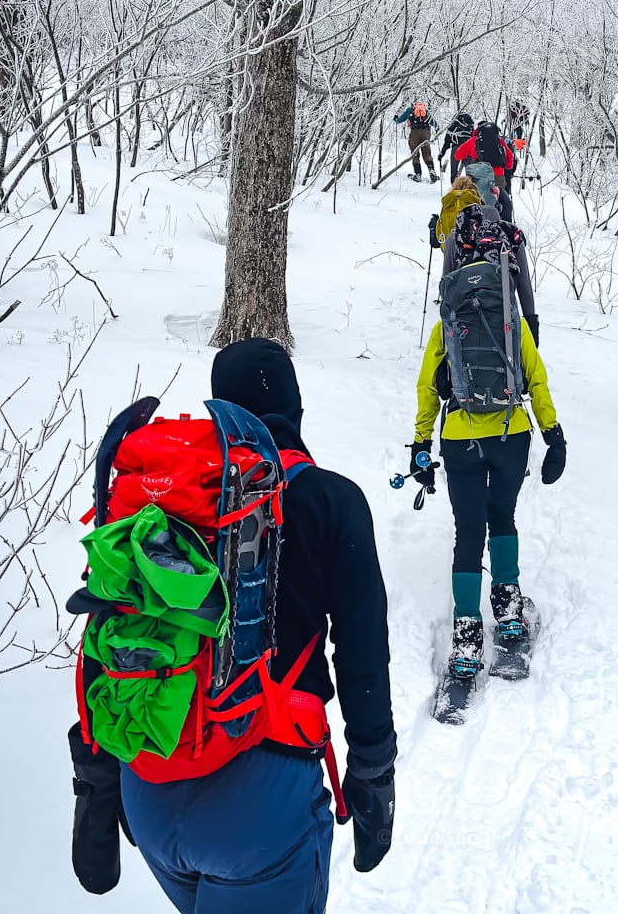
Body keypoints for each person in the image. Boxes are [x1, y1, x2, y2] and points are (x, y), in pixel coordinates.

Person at [69, 339, 397, 914]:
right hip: (262, 807)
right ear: (295, 411)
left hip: (148, 782)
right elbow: (362, 651)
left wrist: (95, 780)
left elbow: (111, 628)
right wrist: (372, 773)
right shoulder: (333, 500)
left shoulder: (166, 499)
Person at [408, 247, 565, 676]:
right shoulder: (510, 320)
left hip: (460, 439)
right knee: (502, 516)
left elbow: (427, 386)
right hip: (510, 435)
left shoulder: (450, 322)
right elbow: (536, 376)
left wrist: (421, 443)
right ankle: (508, 606)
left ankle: (466, 630)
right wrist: (553, 435)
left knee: (468, 529)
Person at [442, 189, 538, 345]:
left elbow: (447, 281)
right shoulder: (511, 236)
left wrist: (446, 321)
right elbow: (523, 284)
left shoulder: (455, 237)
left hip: (464, 315)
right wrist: (531, 323)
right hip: (504, 315)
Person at [453, 120, 515, 200]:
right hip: (498, 176)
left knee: (477, 201)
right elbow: (510, 156)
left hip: (478, 177)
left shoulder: (473, 141)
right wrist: (507, 166)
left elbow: (457, 155)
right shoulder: (499, 141)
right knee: (500, 202)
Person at [430, 173, 482, 249]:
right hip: (471, 251)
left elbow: (440, 236)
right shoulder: (473, 202)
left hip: (449, 250)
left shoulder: (448, 203)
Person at [393, 98, 438, 183]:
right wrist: (437, 128)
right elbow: (434, 123)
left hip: (415, 133)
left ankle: (418, 175)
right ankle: (432, 172)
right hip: (426, 133)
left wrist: (395, 119)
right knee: (427, 153)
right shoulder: (426, 110)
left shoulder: (410, 110)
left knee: (415, 153)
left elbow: (399, 120)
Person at [438, 111, 475, 179]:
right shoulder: (469, 126)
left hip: (456, 147)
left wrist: (442, 153)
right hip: (468, 149)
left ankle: (454, 184)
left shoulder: (453, 125)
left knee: (454, 171)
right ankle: (470, 185)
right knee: (470, 171)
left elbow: (447, 142)